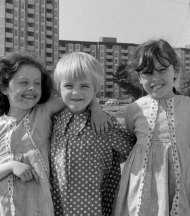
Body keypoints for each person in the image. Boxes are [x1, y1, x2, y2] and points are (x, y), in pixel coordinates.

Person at [0, 54, 109, 216]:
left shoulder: (44, 112)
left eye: (37, 83)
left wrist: (96, 107)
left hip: (38, 205)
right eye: (24, 82)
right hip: (2, 207)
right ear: (5, 88)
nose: (32, 87)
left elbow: (75, 97)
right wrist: (11, 166)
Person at [113, 39, 190, 215]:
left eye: (162, 69)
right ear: (139, 78)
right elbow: (130, 143)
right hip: (139, 186)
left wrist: (185, 145)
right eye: (147, 73)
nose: (155, 77)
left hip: (176, 185)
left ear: (175, 71)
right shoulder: (134, 109)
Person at [49, 52, 136, 216]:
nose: (76, 92)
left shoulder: (103, 123)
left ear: (96, 88)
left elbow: (133, 151)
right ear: (58, 87)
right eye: (69, 86)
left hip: (95, 206)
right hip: (58, 206)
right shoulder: (52, 120)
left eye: (84, 86)